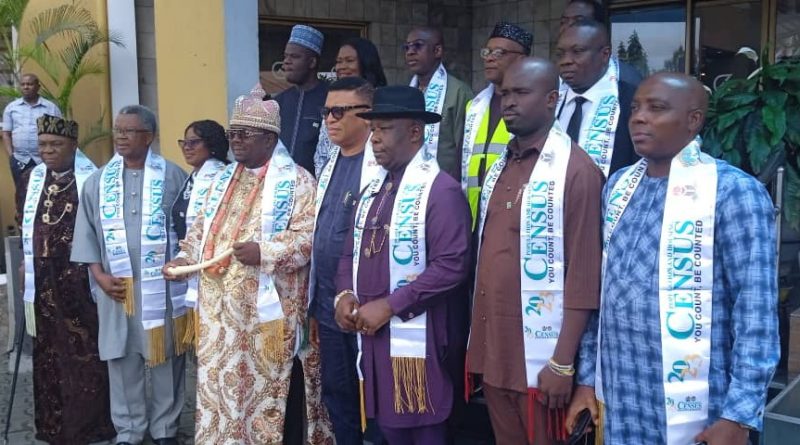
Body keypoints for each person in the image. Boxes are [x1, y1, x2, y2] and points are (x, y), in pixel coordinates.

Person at [566, 73, 780, 445]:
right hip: (621, 399)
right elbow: (601, 298)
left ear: (693, 120)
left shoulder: (733, 193)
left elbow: (756, 313)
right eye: (635, 109)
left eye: (656, 108)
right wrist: (586, 380)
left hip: (700, 411)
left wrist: (739, 416)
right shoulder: (617, 187)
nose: (638, 117)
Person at [163, 89, 334, 444]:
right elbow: (199, 230)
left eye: (245, 134)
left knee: (272, 396)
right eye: (233, 134)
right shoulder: (220, 180)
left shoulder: (299, 181)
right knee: (222, 400)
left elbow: (307, 239)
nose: (235, 141)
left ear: (270, 138)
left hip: (268, 321)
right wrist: (184, 258)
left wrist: (265, 251)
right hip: (221, 319)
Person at [466, 58, 603, 445]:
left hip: (543, 362)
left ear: (552, 100)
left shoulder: (576, 171)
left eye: (521, 93)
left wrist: (562, 363)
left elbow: (583, 276)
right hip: (496, 354)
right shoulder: (500, 167)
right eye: (505, 93)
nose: (508, 102)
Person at [334, 86, 472, 445]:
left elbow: (452, 265)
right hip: (375, 338)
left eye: (385, 129)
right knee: (387, 432)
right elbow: (349, 250)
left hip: (420, 344)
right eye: (373, 130)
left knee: (422, 433)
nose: (375, 139)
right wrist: (344, 294)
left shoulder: (440, 191)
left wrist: (391, 305)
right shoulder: (374, 191)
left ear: (415, 132)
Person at [72, 105, 187, 445]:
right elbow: (87, 231)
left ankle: (165, 429)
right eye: (118, 130)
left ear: (149, 137)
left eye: (129, 130)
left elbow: (189, 228)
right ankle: (129, 430)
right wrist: (98, 274)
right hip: (116, 287)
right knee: (120, 357)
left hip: (162, 289)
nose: (120, 136)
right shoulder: (98, 181)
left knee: (166, 355)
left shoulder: (173, 176)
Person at [20, 114, 115, 445]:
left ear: (73, 146)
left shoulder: (92, 179)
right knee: (47, 351)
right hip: (44, 279)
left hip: (77, 279)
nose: (47, 151)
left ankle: (89, 426)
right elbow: (27, 225)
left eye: (55, 145)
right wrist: (25, 262)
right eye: (43, 144)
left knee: (83, 348)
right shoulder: (33, 178)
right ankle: (52, 425)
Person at [310, 76, 380, 445]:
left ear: (367, 116)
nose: (330, 119)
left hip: (366, 305)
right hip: (328, 304)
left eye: (339, 111)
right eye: (326, 111)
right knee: (338, 394)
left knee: (373, 399)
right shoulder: (331, 161)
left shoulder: (382, 164)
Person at [462, 21, 532, 226]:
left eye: (499, 53)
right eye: (487, 52)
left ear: (522, 59)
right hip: (472, 216)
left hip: (512, 217)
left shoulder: (533, 106)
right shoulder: (474, 106)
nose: (490, 58)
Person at [170, 119, 229, 350]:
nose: (187, 147)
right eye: (184, 142)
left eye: (194, 142)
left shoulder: (224, 177)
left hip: (215, 271)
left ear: (212, 145)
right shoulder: (191, 178)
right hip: (189, 267)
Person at [555, 19, 639, 177]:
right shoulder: (550, 99)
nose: (565, 61)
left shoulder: (632, 102)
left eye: (577, 51)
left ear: (604, 54)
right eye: (560, 54)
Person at [404, 26, 473, 182]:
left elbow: (464, 148)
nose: (410, 52)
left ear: (437, 51)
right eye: (407, 47)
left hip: (444, 184)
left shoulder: (458, 92)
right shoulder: (408, 92)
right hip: (410, 182)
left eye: (418, 45)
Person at [314, 37, 387, 176]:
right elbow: (322, 153)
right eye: (339, 61)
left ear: (366, 63)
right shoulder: (332, 99)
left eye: (349, 61)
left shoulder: (382, 101)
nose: (341, 67)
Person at [3, 73, 62, 224]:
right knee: (22, 195)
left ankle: (43, 232)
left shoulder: (50, 107)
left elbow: (59, 134)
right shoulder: (12, 108)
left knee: (46, 194)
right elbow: (6, 133)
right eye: (23, 84)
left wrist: (53, 155)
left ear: (37, 86)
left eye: (29, 84)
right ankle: (25, 234)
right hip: (20, 160)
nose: (26, 87)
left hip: (43, 160)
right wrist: (12, 157)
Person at [275, 24, 328, 176]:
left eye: (295, 56)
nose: (286, 61)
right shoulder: (279, 102)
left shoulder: (330, 99)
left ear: (312, 62)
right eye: (285, 56)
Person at [559, 0, 643, 84]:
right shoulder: (552, 79)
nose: (568, 27)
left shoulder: (626, 82)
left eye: (578, 21)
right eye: (563, 22)